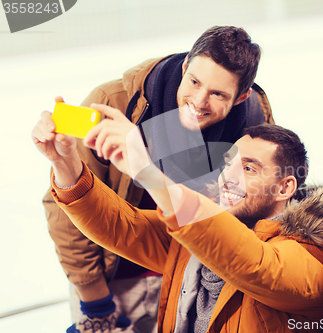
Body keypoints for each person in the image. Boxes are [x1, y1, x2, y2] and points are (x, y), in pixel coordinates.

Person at [33, 100, 323, 332]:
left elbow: (250, 260)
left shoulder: (311, 261)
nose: (230, 177)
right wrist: (66, 164)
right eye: (229, 163)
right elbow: (122, 227)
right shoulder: (195, 235)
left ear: (285, 187)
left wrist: (149, 174)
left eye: (249, 168)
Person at [42, 26, 275, 333]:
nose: (199, 101)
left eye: (218, 94)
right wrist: (93, 297)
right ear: (184, 67)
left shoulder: (254, 120)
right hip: (114, 282)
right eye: (193, 81)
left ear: (241, 96)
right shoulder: (114, 102)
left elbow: (264, 204)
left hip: (192, 282)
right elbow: (64, 203)